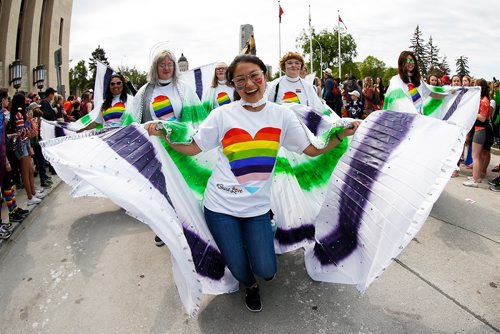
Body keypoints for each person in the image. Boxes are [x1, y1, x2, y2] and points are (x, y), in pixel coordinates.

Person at [144, 54, 360, 312]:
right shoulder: (221, 115)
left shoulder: (281, 116)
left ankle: (262, 235)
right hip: (220, 206)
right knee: (239, 269)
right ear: (233, 85)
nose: (249, 84)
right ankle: (250, 286)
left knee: (267, 270)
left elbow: (311, 150)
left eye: (254, 76)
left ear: (264, 77)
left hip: (257, 208)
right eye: (240, 80)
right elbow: (193, 147)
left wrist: (339, 134)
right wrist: (165, 135)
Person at [130, 49, 204, 246]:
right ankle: (163, 229)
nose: (166, 68)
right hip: (156, 150)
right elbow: (132, 121)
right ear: (155, 67)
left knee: (184, 186)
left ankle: (187, 226)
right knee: (161, 190)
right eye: (162, 65)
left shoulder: (183, 89)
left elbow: (197, 117)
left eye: (169, 64)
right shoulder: (145, 91)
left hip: (179, 146)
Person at [6, 94, 44, 206]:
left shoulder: (19, 114)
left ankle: (32, 193)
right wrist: (28, 132)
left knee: (29, 171)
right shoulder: (18, 115)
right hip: (21, 144)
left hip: (24, 143)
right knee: (25, 172)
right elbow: (21, 132)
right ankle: (30, 197)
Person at [463, 79, 494, 187]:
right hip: (479, 129)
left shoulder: (484, 100)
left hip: (480, 129)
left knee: (475, 156)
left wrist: (473, 111)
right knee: (478, 156)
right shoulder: (483, 99)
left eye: (476, 85)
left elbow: (482, 118)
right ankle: (476, 177)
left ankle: (475, 180)